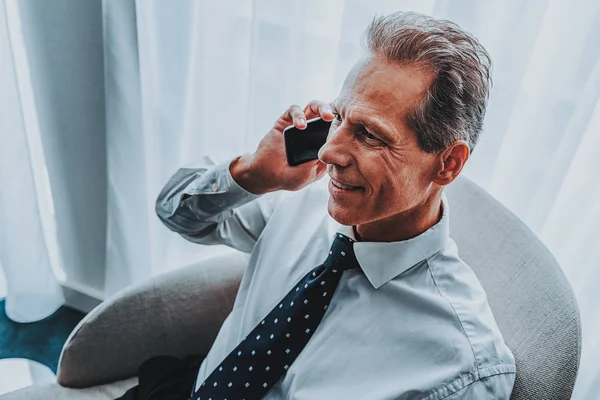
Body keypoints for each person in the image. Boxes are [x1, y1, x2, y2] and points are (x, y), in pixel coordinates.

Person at [142, 11, 516, 400]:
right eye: (338, 117)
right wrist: (251, 174)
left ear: (448, 164)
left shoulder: (462, 369)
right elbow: (175, 213)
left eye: (369, 134)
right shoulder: (304, 201)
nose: (327, 150)